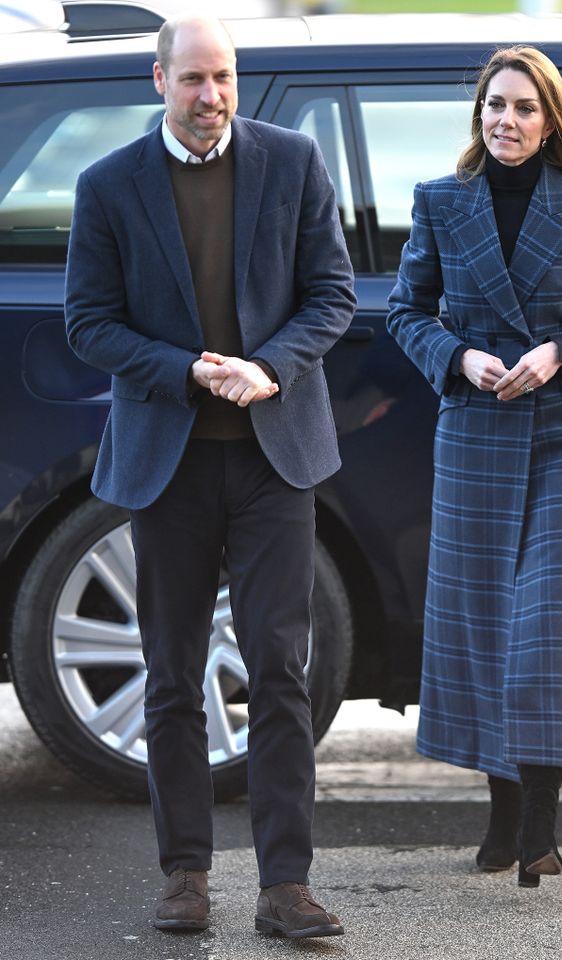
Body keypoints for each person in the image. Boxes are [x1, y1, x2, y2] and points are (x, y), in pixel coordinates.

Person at [65, 14, 355, 937]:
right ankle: (185, 874)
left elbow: (332, 293)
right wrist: (186, 367)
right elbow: (90, 324)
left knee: (278, 667)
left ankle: (284, 885)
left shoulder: (293, 161)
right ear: (159, 82)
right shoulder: (107, 185)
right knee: (172, 674)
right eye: (192, 80)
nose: (211, 96)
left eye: (223, 78)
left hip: (275, 457)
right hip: (171, 460)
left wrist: (268, 366)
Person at [387, 46, 562, 888]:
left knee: (545, 631)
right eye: (495, 105)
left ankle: (540, 824)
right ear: (479, 114)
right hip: (472, 430)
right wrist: (458, 358)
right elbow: (404, 312)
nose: (506, 120)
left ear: (550, 118)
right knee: (484, 631)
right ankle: (502, 818)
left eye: (524, 108)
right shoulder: (439, 201)